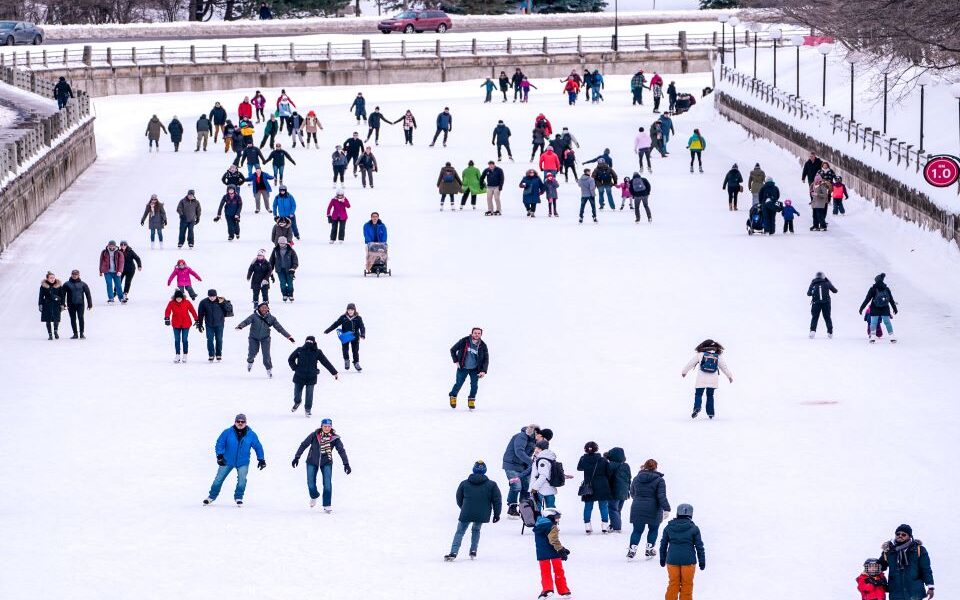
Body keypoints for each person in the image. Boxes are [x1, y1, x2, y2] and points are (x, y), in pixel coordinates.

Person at [445, 460, 502, 561]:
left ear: (473, 469)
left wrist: (464, 507)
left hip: (466, 512)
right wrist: (497, 514)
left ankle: (453, 552)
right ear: (485, 471)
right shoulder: (492, 485)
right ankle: (473, 551)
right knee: (476, 530)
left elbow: (459, 498)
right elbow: (497, 500)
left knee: (460, 532)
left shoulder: (464, 483)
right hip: (482, 513)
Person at [203, 414, 265, 506]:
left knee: (242, 480)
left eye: (242, 421)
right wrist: (219, 455)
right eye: (238, 421)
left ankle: (238, 497)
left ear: (245, 423)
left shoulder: (251, 434)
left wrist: (261, 459)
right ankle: (211, 497)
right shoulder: (227, 432)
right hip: (227, 460)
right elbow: (220, 443)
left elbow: (258, 446)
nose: (240, 423)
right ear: (235, 422)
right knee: (218, 479)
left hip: (243, 462)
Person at [292, 418, 350, 511]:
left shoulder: (334, 438)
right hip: (312, 461)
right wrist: (297, 457)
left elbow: (341, 451)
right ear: (321, 426)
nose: (327, 428)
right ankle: (314, 495)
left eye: (329, 426)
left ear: (331, 427)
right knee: (311, 484)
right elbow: (304, 445)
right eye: (325, 426)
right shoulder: (314, 435)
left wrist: (346, 464)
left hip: (326, 462)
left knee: (327, 484)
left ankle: (327, 504)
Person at [660, 504, 706, 600]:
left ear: (677, 513)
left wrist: (662, 558)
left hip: (672, 560)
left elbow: (663, 544)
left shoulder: (668, 527)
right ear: (691, 514)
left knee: (673, 583)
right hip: (688, 561)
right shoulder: (694, 528)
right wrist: (702, 561)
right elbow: (699, 546)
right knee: (687, 585)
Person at [627, 458, 670, 559]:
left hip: (637, 507)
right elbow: (661, 496)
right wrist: (666, 508)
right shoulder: (659, 480)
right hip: (653, 508)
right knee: (653, 529)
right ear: (655, 467)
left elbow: (632, 493)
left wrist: (639, 500)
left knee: (637, 530)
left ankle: (632, 550)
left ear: (645, 466)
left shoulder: (637, 478)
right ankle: (649, 550)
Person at [236, 302, 294, 377]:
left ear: (268, 309)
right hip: (253, 338)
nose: (264, 309)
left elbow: (280, 328)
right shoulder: (254, 316)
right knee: (252, 353)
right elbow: (246, 321)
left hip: (265, 338)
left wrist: (289, 336)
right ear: (259, 308)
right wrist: (240, 326)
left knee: (266, 355)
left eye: (265, 308)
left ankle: (269, 369)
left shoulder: (271, 318)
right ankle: (250, 362)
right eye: (262, 308)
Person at [681, 339, 734, 419]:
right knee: (710, 395)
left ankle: (697, 408)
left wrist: (684, 372)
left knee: (698, 394)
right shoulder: (717, 355)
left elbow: (690, 363)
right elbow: (724, 367)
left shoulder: (700, 354)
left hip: (701, 379)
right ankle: (710, 413)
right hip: (713, 380)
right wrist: (729, 376)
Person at [879, 524, 934, 600]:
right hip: (896, 592)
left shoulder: (919, 550)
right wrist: (869, 572)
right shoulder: (889, 551)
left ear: (910, 536)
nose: (900, 536)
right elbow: (880, 567)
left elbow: (926, 569)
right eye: (898, 534)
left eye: (904, 534)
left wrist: (930, 587)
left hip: (914, 592)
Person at [287, 336, 338, 417]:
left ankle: (308, 409)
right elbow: (290, 359)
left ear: (314, 343)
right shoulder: (299, 350)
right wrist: (295, 368)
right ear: (305, 341)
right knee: (297, 394)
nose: (309, 343)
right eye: (308, 341)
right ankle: (297, 402)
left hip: (311, 377)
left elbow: (326, 362)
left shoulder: (317, 352)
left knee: (309, 394)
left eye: (311, 342)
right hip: (299, 376)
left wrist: (334, 372)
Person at [533, 508, 572, 599]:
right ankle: (564, 591)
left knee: (545, 572)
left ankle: (547, 590)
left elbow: (547, 539)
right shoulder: (551, 526)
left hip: (542, 553)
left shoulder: (539, 524)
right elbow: (553, 539)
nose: (558, 520)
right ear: (550, 517)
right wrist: (560, 550)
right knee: (559, 571)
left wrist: (563, 548)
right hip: (554, 553)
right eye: (557, 517)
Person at [448, 327, 488, 411]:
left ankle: (471, 400)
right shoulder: (464, 341)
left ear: (481, 334)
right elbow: (452, 350)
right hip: (463, 367)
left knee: (474, 386)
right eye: (475, 333)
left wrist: (483, 371)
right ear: (472, 333)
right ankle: (453, 396)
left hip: (475, 369)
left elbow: (486, 359)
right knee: (458, 383)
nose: (477, 334)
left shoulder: (483, 345)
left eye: (479, 333)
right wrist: (456, 361)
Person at [502, 425, 539, 516]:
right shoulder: (521, 436)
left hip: (523, 466)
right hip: (511, 464)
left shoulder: (534, 441)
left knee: (526, 486)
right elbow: (519, 451)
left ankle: (524, 508)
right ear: (534, 432)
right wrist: (532, 463)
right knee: (516, 486)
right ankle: (512, 507)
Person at [577, 441, 612, 534]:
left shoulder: (583, 459)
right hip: (602, 485)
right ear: (597, 449)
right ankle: (604, 526)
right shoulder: (603, 460)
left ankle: (587, 526)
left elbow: (579, 468)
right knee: (603, 506)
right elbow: (609, 473)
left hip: (589, 485)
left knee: (588, 506)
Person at [859, 273, 898, 343]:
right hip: (885, 307)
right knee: (887, 322)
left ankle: (872, 338)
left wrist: (861, 308)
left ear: (876, 281)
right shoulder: (886, 289)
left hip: (875, 307)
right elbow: (891, 299)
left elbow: (867, 299)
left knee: (873, 322)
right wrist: (895, 308)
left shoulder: (872, 289)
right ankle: (892, 337)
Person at [164, 289, 198, 362]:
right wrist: (167, 318)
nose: (178, 299)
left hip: (186, 323)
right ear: (175, 298)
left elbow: (192, 310)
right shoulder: (171, 303)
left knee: (184, 340)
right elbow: (167, 310)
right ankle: (177, 355)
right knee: (177, 340)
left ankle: (185, 355)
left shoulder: (187, 302)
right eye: (177, 298)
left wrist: (196, 319)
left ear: (182, 297)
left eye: (180, 298)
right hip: (176, 324)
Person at [196, 289, 228, 362]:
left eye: (213, 296)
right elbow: (200, 314)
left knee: (219, 339)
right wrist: (200, 325)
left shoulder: (221, 301)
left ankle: (218, 354)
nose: (212, 298)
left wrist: (225, 303)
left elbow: (227, 310)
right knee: (210, 340)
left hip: (219, 324)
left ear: (216, 295)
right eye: (210, 296)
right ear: (208, 296)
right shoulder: (203, 302)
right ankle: (211, 354)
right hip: (209, 324)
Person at [605, 447, 630, 534]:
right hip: (624, 491)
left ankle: (617, 528)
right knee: (618, 509)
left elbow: (607, 478)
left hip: (614, 491)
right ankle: (613, 525)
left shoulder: (611, 465)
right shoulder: (626, 465)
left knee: (612, 509)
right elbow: (629, 478)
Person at [529, 439, 559, 509]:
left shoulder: (542, 460)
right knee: (551, 508)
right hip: (550, 488)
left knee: (537, 509)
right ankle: (552, 519)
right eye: (536, 448)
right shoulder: (550, 459)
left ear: (543, 449)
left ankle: (541, 520)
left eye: (538, 448)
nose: (536, 450)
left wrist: (534, 488)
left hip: (541, 489)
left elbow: (543, 476)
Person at [62, 270, 92, 339]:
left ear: (78, 275)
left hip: (80, 304)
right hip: (71, 304)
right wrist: (63, 304)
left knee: (81, 318)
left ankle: (81, 333)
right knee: (73, 319)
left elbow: (88, 294)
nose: (74, 275)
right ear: (71, 275)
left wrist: (90, 304)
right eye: (73, 274)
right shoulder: (66, 284)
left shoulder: (83, 284)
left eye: (76, 274)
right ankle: (75, 334)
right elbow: (63, 295)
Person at [807, 271, 837, 339]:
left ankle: (812, 332)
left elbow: (808, 294)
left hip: (816, 303)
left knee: (814, 317)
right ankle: (830, 332)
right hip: (826, 303)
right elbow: (835, 291)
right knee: (827, 317)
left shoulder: (813, 283)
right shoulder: (827, 282)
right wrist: (829, 282)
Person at [269, 236, 299, 302]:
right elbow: (271, 261)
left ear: (286, 243)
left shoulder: (291, 250)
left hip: (289, 270)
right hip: (280, 270)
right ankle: (284, 294)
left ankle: (291, 294)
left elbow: (295, 261)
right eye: (280, 243)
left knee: (290, 283)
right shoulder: (275, 250)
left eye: (283, 243)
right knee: (282, 283)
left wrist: (293, 269)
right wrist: (270, 270)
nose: (281, 245)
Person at [38, 271, 64, 340]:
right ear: (47, 279)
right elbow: (41, 296)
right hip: (47, 304)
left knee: (56, 319)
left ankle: (55, 331)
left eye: (53, 278)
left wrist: (62, 304)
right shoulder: (43, 286)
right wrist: (40, 304)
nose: (52, 279)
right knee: (48, 320)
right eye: (51, 278)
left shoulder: (58, 286)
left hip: (56, 304)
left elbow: (62, 296)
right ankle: (50, 334)